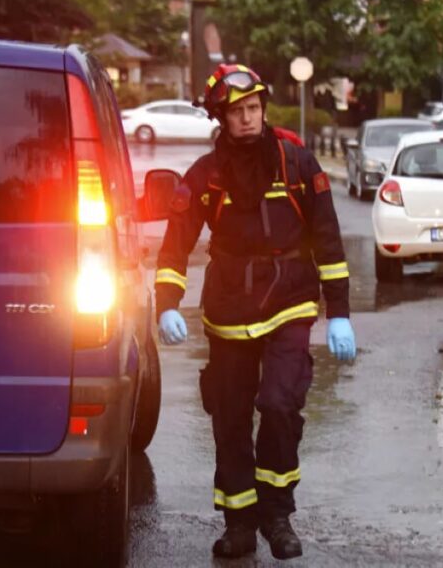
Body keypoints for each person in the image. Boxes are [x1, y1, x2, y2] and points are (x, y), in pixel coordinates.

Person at [155, 63, 356, 560]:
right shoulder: (207, 175)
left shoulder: (297, 164)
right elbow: (176, 242)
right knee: (229, 414)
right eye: (237, 112)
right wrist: (166, 304)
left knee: (279, 403)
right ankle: (240, 522)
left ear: (262, 108)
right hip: (227, 308)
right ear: (221, 118)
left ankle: (278, 514)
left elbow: (327, 238)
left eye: (253, 108)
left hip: (289, 300)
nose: (247, 119)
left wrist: (340, 311)